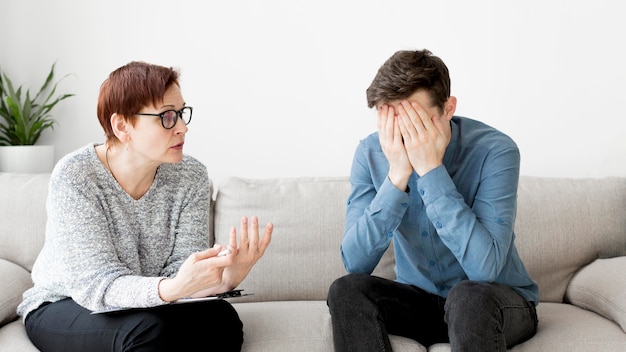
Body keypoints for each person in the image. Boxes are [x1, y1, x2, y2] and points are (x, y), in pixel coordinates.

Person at [17, 61, 273, 352]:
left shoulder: (191, 176)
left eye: (181, 114)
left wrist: (223, 280)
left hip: (148, 304)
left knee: (221, 319)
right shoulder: (76, 176)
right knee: (148, 331)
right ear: (122, 126)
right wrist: (172, 289)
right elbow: (96, 285)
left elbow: (181, 271)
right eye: (167, 117)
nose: (182, 128)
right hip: (65, 302)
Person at [327, 49, 539, 352]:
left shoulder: (496, 151)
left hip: (493, 301)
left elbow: (484, 269)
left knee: (468, 296)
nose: (405, 135)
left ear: (448, 108)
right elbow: (355, 262)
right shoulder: (370, 153)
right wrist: (397, 176)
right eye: (392, 121)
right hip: (422, 301)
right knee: (347, 290)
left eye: (417, 122)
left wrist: (430, 170)